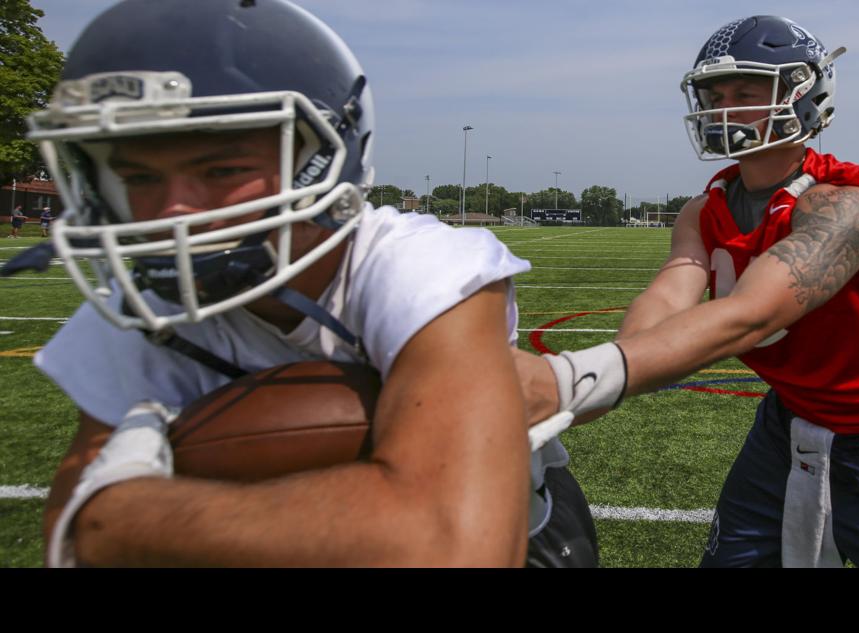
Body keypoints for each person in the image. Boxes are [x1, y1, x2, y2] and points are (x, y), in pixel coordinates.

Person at [9, 0, 595, 567]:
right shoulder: (138, 308)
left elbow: (453, 548)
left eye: (222, 169)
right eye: (137, 176)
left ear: (325, 157)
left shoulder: (415, 265)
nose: (173, 209)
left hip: (532, 539)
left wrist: (129, 518)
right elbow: (72, 540)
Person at [519, 15, 859, 567]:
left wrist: (557, 384)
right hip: (788, 419)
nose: (722, 108)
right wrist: (577, 396)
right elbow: (668, 301)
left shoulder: (846, 205)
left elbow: (752, 316)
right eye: (714, 94)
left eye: (745, 92)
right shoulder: (706, 207)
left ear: (805, 94)